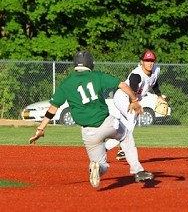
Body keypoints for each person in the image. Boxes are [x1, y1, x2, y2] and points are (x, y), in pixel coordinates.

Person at [28, 50, 154, 188]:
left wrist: (40, 128)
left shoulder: (67, 83)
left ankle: (97, 167)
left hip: (88, 132)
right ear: (90, 63)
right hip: (108, 123)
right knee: (125, 136)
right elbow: (123, 85)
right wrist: (134, 100)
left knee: (102, 165)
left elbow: (52, 109)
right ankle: (138, 170)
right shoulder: (97, 76)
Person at [105, 50, 167, 165]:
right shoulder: (136, 75)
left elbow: (154, 81)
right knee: (133, 116)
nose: (150, 63)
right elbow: (131, 92)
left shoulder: (156, 69)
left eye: (152, 60)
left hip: (135, 98)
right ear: (141, 62)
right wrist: (135, 103)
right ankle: (123, 148)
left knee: (124, 127)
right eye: (147, 60)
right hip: (123, 96)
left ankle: (104, 148)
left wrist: (159, 96)